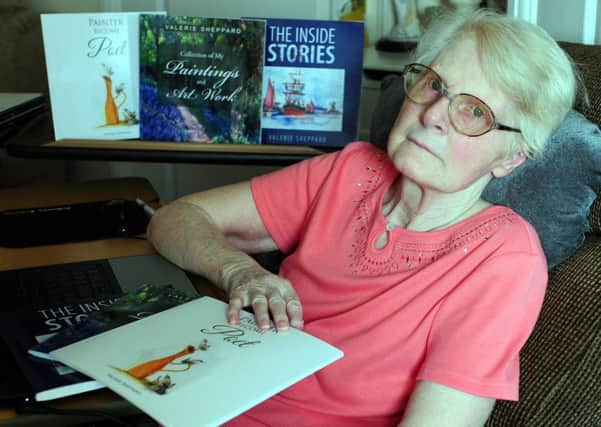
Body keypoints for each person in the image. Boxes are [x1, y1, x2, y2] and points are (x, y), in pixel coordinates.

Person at [147, 8, 581, 427]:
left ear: (512, 157)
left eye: (474, 112)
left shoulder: (504, 260)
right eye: (434, 84)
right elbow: (175, 219)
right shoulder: (351, 171)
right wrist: (239, 271)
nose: (431, 115)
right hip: (190, 395)